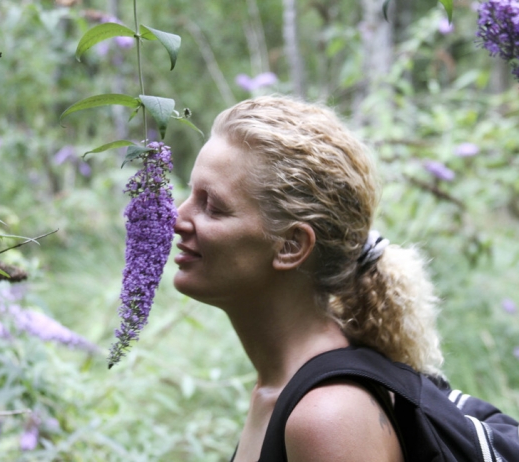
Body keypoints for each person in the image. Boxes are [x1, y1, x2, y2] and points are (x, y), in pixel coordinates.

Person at [172, 95, 443, 462]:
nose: (176, 218)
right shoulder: (281, 387)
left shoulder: (327, 417)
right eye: (190, 195)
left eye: (212, 207)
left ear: (290, 245)